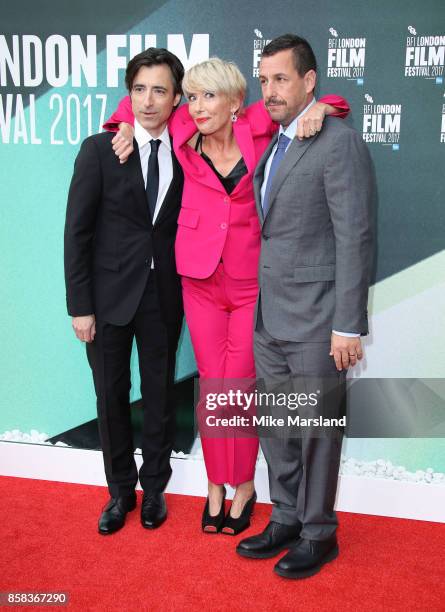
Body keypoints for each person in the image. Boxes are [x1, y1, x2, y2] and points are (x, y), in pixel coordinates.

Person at [104, 57, 349, 535]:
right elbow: (134, 104)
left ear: (236, 103)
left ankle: (243, 485)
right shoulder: (181, 125)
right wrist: (122, 125)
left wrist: (322, 107)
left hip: (250, 278)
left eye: (208, 96)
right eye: (191, 96)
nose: (196, 106)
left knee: (237, 386)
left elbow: (331, 101)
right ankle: (218, 483)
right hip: (197, 278)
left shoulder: (256, 123)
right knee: (212, 386)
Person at [235, 34, 374, 578]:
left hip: (320, 320)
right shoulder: (276, 141)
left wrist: (347, 324)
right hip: (270, 317)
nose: (270, 90)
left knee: (317, 431)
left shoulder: (337, 143)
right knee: (277, 425)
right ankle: (287, 515)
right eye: (264, 79)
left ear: (310, 81)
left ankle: (319, 533)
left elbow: (354, 237)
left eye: (282, 79)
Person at [64, 48, 185, 535]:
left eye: (159, 90)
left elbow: (249, 116)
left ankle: (155, 488)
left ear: (177, 98)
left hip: (163, 295)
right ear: (127, 94)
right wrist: (80, 307)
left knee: (158, 394)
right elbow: (77, 233)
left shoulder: (191, 150)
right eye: (139, 89)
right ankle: (119, 493)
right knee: (110, 397)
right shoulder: (100, 149)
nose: (148, 101)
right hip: (108, 297)